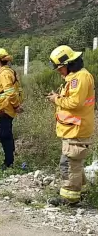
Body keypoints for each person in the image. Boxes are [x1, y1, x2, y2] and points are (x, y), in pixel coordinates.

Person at [46, 45, 95, 206]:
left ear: (68, 64)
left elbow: (74, 103)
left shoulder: (79, 78)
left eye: (60, 68)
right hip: (74, 128)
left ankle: (69, 198)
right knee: (74, 162)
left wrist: (56, 99)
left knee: (69, 163)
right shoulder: (77, 77)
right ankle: (78, 190)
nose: (59, 72)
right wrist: (59, 96)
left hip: (77, 129)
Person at [0, 48, 23, 170]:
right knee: (6, 133)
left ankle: (8, 162)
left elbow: (9, 92)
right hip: (7, 108)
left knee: (4, 135)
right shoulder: (10, 72)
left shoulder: (4, 74)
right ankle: (10, 158)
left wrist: (16, 106)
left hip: (6, 108)